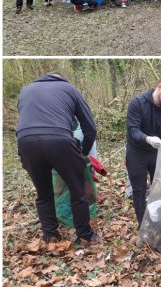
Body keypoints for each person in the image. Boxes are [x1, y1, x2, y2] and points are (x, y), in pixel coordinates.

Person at [16, 72, 98, 244]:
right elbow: (90, 128)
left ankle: (51, 236)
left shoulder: (25, 90)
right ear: (62, 79)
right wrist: (82, 154)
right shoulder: (69, 89)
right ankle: (84, 235)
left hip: (25, 142)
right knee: (78, 190)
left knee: (44, 194)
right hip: (59, 140)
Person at [126, 74, 161, 225]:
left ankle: (160, 223)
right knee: (139, 190)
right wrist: (148, 139)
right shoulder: (137, 103)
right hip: (136, 153)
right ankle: (143, 226)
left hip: (158, 154)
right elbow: (133, 130)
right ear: (159, 87)